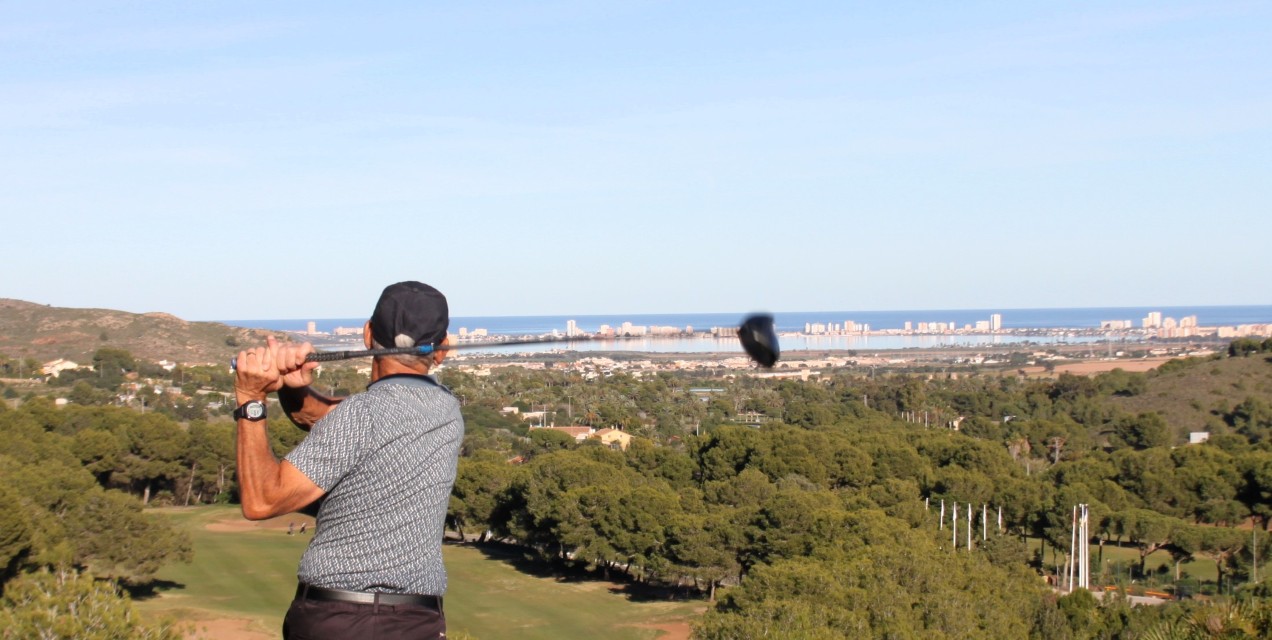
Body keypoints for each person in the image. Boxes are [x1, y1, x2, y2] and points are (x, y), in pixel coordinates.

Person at [233, 281, 464, 640]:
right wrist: (295, 387)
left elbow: (262, 501)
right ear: (442, 349)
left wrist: (251, 398)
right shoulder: (447, 409)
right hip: (418, 623)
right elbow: (328, 419)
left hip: (336, 621)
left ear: (367, 334)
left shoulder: (359, 416)